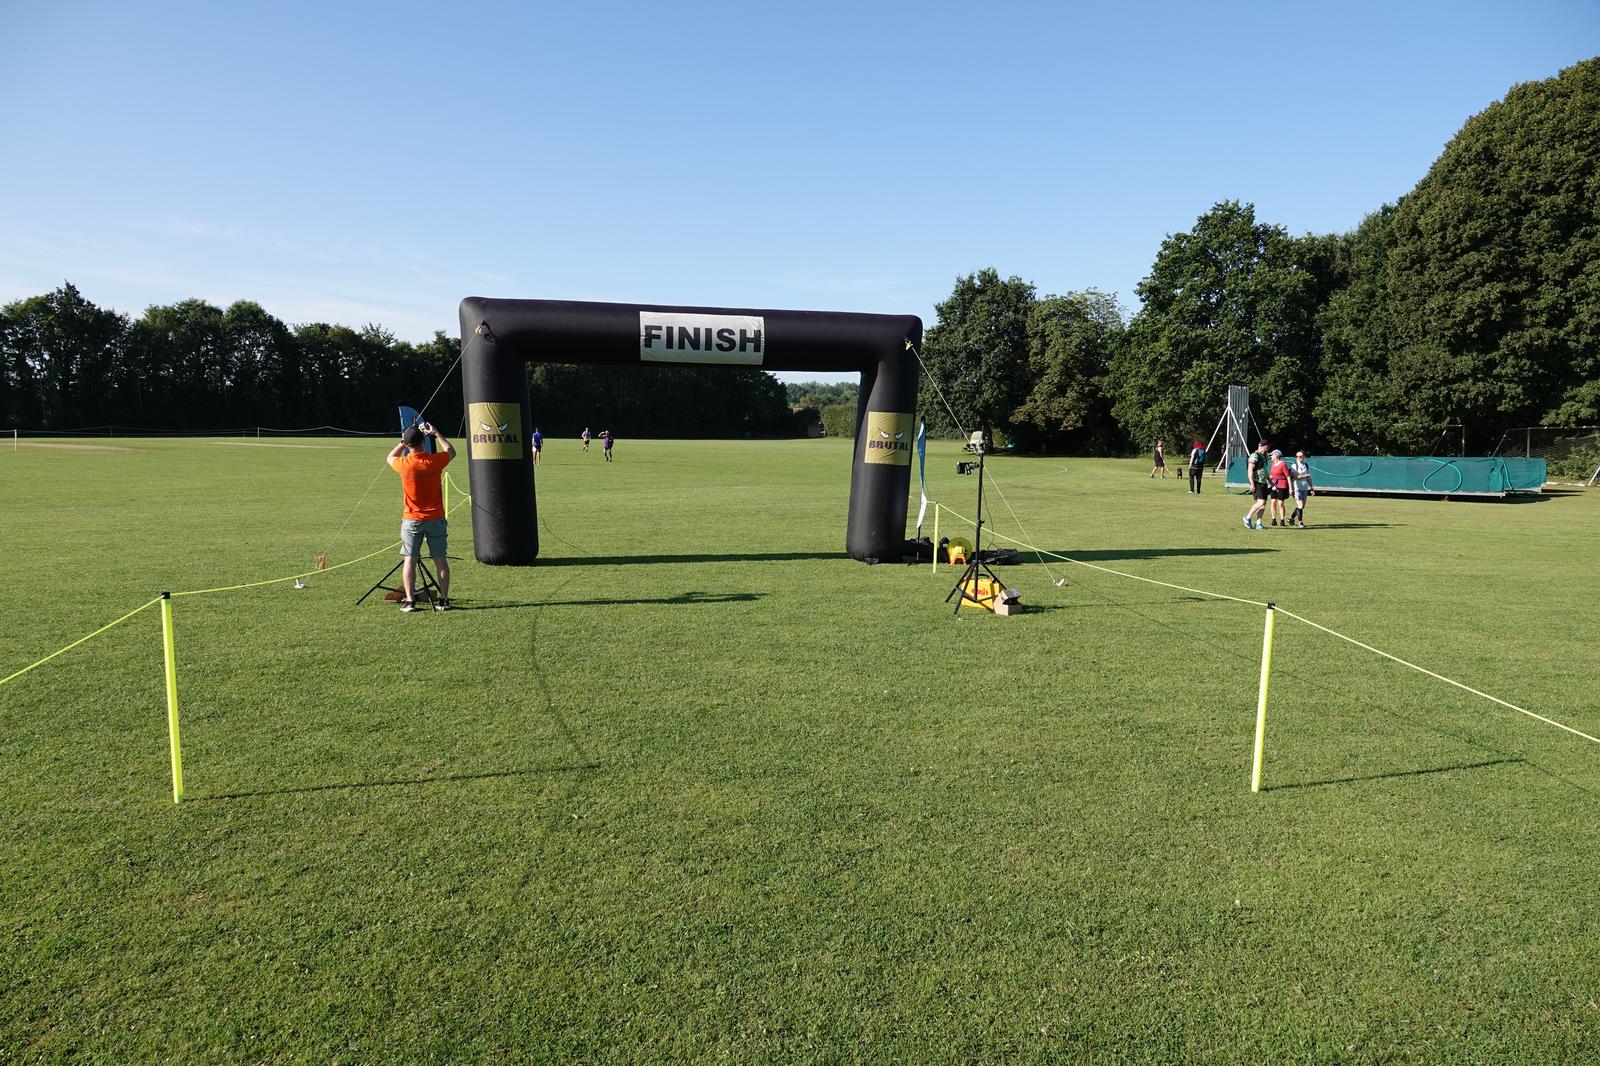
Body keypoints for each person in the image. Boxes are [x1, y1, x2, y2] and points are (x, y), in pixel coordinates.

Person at [386, 421, 454, 612]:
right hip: (436, 519)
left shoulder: (404, 464)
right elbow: (451, 451)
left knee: (410, 560)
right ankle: (444, 600)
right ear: (423, 441)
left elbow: (390, 457)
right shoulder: (434, 461)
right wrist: (436, 433)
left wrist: (403, 442)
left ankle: (410, 601)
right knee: (440, 560)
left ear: (408, 445)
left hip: (412, 520)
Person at [1243, 440, 1271, 530]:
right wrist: (1252, 484)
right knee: (1261, 502)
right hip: (1257, 482)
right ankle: (1247, 517)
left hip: (1263, 482)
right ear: (1261, 446)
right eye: (1267, 447)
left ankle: (1258, 523)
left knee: (1263, 504)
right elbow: (1250, 470)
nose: (1268, 449)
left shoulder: (1264, 456)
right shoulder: (1254, 455)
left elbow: (1264, 470)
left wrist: (1270, 481)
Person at [1289, 450, 1314, 527]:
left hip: (1304, 488)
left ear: (1304, 457)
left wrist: (1312, 488)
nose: (1298, 458)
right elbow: (1296, 477)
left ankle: (1291, 518)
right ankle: (1300, 522)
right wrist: (1306, 476)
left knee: (1301, 506)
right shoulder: (1294, 465)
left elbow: (1309, 478)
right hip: (1296, 488)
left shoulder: (1306, 465)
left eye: (1300, 456)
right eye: (1297, 456)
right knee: (1300, 505)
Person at [1268, 449, 1291, 526]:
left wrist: (1290, 488)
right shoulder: (1272, 464)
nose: (1271, 456)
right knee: (1273, 502)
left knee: (1280, 503)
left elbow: (1288, 476)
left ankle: (1282, 520)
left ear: (1276, 455)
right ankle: (1273, 519)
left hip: (1282, 485)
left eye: (1272, 455)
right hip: (1274, 485)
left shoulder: (1283, 464)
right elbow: (1272, 475)